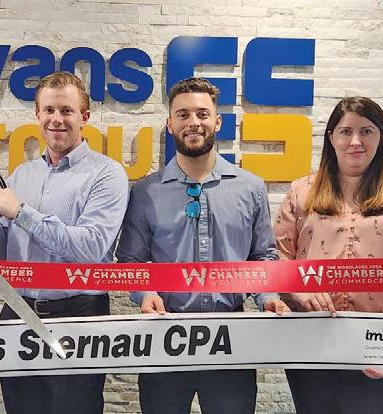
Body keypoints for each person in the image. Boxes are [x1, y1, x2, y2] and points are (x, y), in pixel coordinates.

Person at [0, 71, 129, 414]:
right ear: (37, 115)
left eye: (66, 110)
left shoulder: (107, 175)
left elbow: (90, 248)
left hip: (79, 316)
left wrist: (23, 213)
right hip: (18, 313)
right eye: (49, 110)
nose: (56, 119)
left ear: (85, 117)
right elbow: (1, 254)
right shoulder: (23, 174)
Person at [117, 77, 289, 414]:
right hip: (165, 339)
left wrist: (267, 297)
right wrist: (145, 293)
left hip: (231, 340)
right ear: (170, 124)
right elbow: (130, 260)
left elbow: (263, 255)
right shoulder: (145, 192)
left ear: (217, 122)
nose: (193, 122)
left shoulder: (250, 187)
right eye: (183, 115)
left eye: (202, 114)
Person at [273, 96, 383, 413]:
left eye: (366, 131)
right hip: (310, 338)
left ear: (381, 137)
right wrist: (299, 289)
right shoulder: (301, 191)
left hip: (379, 340)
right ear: (331, 137)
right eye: (346, 131)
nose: (355, 141)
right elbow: (277, 257)